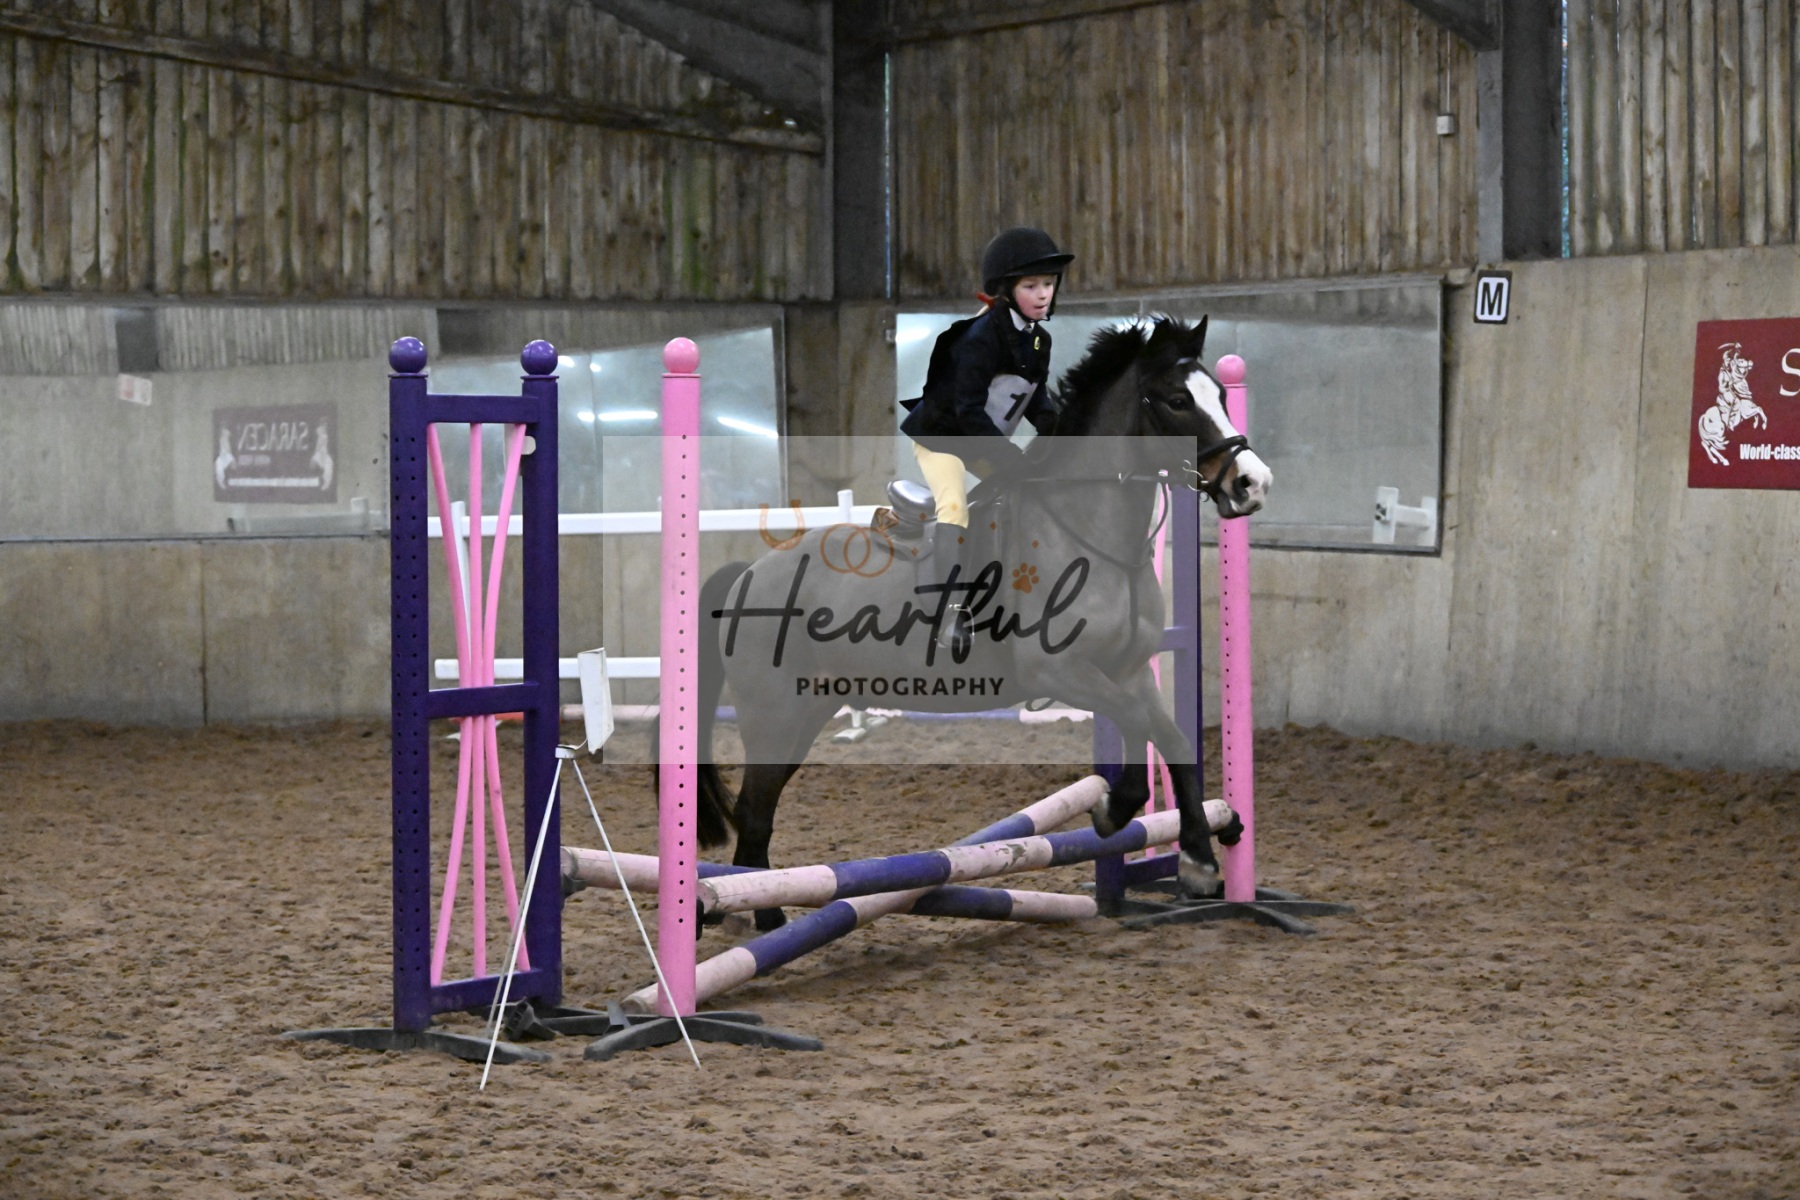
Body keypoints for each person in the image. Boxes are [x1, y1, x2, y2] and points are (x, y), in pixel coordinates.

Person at [899, 226, 1074, 654]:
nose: (1043, 294)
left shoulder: (1039, 339)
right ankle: (951, 613)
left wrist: (1056, 428)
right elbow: (968, 412)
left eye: (1048, 284)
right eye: (1031, 286)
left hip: (980, 440)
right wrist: (1008, 456)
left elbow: (1033, 396)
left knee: (1025, 495)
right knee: (955, 507)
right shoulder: (979, 339)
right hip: (944, 441)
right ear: (1006, 290)